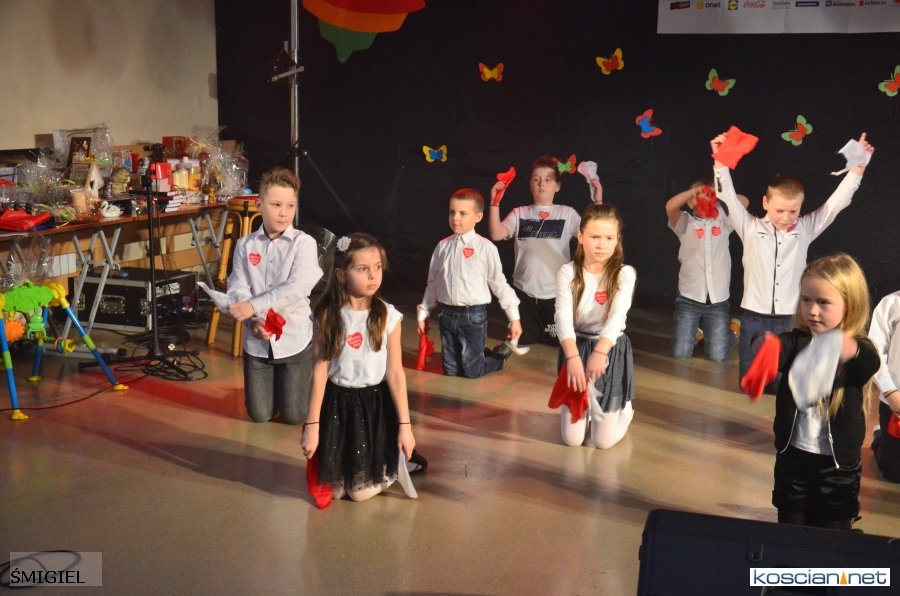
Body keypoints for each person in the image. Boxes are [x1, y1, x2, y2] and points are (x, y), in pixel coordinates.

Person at [711, 132, 875, 387]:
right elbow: (728, 197)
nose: (786, 217)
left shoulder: (805, 228)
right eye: (779, 210)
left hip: (790, 318)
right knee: (749, 382)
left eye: (793, 211)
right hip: (754, 316)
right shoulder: (750, 227)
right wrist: (720, 163)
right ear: (765, 203)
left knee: (784, 382)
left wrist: (857, 169)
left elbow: (835, 205)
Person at [743, 254, 879, 530]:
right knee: (791, 526)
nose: (812, 310)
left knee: (832, 533)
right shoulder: (798, 341)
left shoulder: (856, 348)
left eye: (823, 302)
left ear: (850, 304)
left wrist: (852, 350)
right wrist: (765, 346)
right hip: (793, 458)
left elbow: (869, 363)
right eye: (806, 300)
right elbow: (778, 345)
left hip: (837, 467)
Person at [300, 233, 418, 503]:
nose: (373, 275)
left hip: (373, 407)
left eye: (377, 268)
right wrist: (312, 426)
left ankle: (394, 468)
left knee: (360, 493)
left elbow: (395, 373)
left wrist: (405, 426)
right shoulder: (327, 315)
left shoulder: (388, 316)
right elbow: (319, 371)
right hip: (337, 406)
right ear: (342, 274)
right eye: (363, 269)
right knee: (337, 491)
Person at [227, 167, 322, 424]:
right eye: (276, 204)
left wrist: (254, 306)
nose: (284, 212)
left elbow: (296, 287)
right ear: (260, 205)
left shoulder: (304, 243)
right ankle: (275, 388)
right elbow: (238, 286)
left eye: (290, 205)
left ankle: (298, 385)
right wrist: (253, 320)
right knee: (259, 415)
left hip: (293, 339)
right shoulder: (245, 245)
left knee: (294, 417)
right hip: (257, 342)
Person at [488, 156, 602, 346]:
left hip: (556, 296)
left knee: (559, 344)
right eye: (536, 179)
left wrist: (597, 200)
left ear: (557, 186)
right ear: (530, 185)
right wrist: (494, 203)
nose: (542, 184)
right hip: (524, 295)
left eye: (548, 180)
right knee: (523, 341)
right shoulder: (519, 213)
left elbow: (594, 234)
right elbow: (496, 234)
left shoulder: (566, 213)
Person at [553, 203, 636, 449]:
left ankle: (625, 411)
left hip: (609, 347)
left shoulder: (624, 273)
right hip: (577, 346)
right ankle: (585, 409)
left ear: (617, 240)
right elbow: (562, 317)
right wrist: (572, 358)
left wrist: (600, 352)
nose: (601, 244)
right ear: (580, 237)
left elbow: (617, 317)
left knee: (602, 442)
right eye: (595, 237)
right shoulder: (568, 272)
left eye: (609, 238)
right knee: (572, 440)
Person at [417, 188, 522, 378]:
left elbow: (499, 283)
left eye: (463, 213)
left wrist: (514, 318)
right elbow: (433, 282)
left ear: (478, 217)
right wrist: (424, 313)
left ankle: (500, 356)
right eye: (452, 212)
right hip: (447, 314)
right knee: (451, 370)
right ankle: (478, 354)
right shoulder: (443, 246)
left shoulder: (485, 248)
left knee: (472, 371)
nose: (455, 218)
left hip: (472, 316)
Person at [665, 178, 748, 360]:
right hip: (689, 298)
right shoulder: (685, 222)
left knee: (717, 355)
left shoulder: (724, 221)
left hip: (717, 301)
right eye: (699, 195)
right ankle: (697, 333)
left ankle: (732, 330)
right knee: (680, 353)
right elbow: (670, 206)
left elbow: (744, 201)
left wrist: (717, 193)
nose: (705, 197)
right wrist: (695, 192)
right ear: (690, 202)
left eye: (710, 195)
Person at [867, 291, 900, 483]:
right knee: (894, 474)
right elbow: (875, 354)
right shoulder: (891, 304)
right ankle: (880, 437)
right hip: (895, 403)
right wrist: (891, 392)